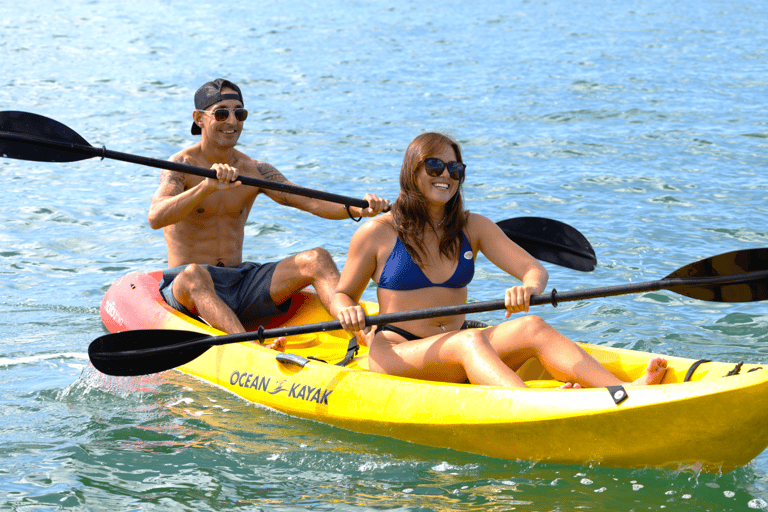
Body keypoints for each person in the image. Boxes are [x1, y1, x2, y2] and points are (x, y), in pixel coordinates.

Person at [331, 132, 667, 388]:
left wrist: (528, 288)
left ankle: (621, 391)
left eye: (455, 168)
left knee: (531, 326)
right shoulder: (377, 232)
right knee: (467, 341)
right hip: (398, 351)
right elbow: (343, 293)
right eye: (434, 165)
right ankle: (533, 407)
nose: (445, 174)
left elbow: (533, 269)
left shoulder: (473, 226)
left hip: (460, 342)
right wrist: (347, 308)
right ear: (412, 171)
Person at [148, 78, 388, 350]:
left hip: (240, 282)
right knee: (194, 274)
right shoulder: (180, 165)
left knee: (317, 259)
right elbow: (156, 217)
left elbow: (308, 200)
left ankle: (366, 337)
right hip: (189, 287)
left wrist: (357, 208)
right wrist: (206, 187)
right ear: (198, 118)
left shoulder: (254, 169)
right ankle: (252, 349)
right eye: (221, 113)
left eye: (240, 113)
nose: (232, 121)